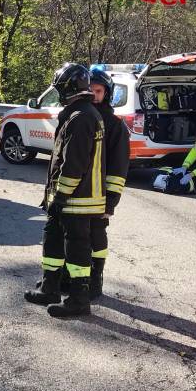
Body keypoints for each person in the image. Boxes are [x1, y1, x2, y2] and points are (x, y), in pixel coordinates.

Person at [25, 62, 106, 318]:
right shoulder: (77, 113)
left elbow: (73, 164)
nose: (58, 93)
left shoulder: (82, 117)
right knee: (53, 239)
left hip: (77, 200)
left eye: (60, 89)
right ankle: (50, 287)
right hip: (68, 198)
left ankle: (79, 299)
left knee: (77, 247)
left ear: (68, 88)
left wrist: (60, 196)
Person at [87, 68, 130, 301]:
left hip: (100, 196)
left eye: (99, 91)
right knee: (73, 237)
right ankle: (73, 279)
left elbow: (119, 168)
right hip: (79, 194)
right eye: (90, 90)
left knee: (97, 236)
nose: (94, 95)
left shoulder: (115, 126)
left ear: (107, 93)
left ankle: (96, 278)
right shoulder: (79, 117)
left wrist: (110, 202)